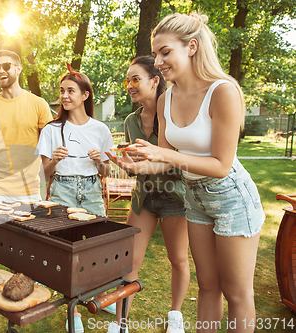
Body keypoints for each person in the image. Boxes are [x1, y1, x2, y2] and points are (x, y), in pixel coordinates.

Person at [107, 12, 265, 333]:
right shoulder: (166, 99)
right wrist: (137, 164)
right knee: (207, 287)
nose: (159, 60)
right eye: (156, 53)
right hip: (193, 197)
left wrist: (161, 154)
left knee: (236, 293)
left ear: (191, 47)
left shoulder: (222, 91)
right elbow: (166, 160)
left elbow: (221, 165)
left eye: (165, 52)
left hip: (231, 197)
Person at [106, 56, 190, 333]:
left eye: (135, 79)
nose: (129, 85)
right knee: (127, 261)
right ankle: (121, 325)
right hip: (144, 197)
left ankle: (175, 316)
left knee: (178, 259)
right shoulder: (131, 120)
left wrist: (140, 164)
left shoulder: (175, 114)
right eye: (127, 80)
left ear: (155, 80)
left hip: (174, 197)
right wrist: (130, 167)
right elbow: (137, 167)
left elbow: (181, 161)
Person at [36, 64, 113, 333]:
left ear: (85, 95)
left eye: (70, 91)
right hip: (63, 190)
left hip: (91, 190)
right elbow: (43, 174)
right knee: (65, 249)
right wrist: (53, 161)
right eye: (62, 91)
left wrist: (99, 162)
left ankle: (95, 294)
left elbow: (106, 171)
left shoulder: (100, 130)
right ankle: (73, 311)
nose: (64, 96)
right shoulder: (51, 129)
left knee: (98, 244)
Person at [0, 50, 53, 204]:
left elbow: (48, 149)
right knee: (1, 229)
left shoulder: (39, 104)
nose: (1, 71)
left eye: (6, 66)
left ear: (19, 68)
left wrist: (49, 182)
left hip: (30, 189)